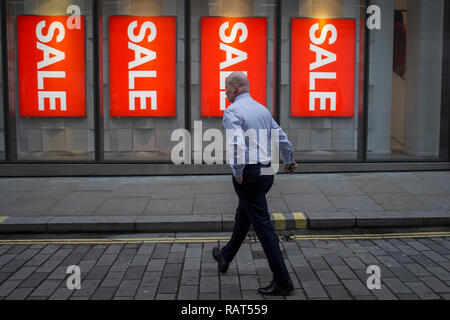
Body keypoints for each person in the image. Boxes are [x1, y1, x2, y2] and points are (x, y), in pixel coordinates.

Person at [212, 71, 298, 296]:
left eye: (227, 88)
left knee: (263, 226)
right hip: (267, 172)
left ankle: (283, 280)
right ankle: (225, 255)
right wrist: (289, 160)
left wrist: (238, 172)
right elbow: (281, 137)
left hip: (248, 173)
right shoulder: (262, 109)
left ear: (237, 87)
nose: (226, 92)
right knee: (244, 215)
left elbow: (237, 144)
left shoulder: (232, 111)